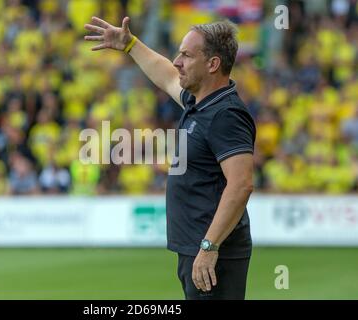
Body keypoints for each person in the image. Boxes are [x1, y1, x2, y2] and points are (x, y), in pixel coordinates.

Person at [84, 16, 256, 300]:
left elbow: (241, 184)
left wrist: (209, 247)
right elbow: (164, 74)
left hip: (214, 252)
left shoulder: (226, 115)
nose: (177, 61)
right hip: (197, 248)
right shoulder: (200, 103)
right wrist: (130, 45)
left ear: (213, 64)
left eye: (187, 55)